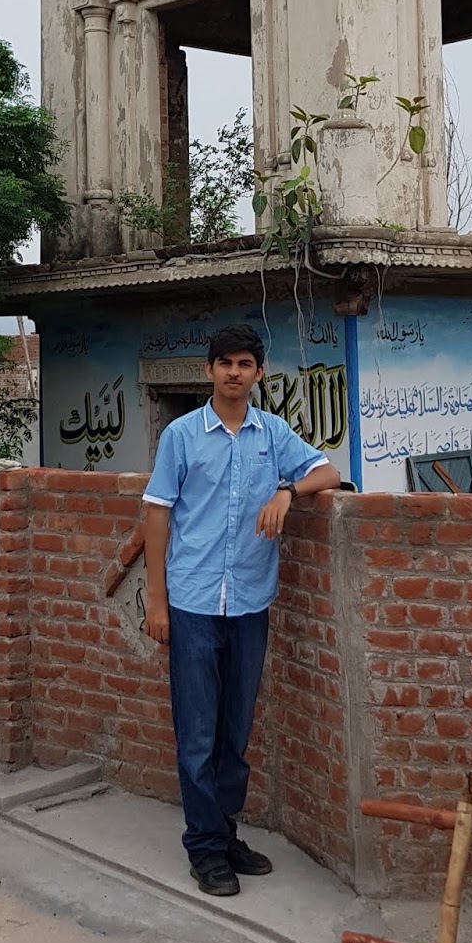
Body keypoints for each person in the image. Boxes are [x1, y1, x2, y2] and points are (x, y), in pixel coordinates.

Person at [142, 323, 341, 897]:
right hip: (194, 603)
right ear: (209, 371)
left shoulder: (271, 433)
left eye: (245, 363)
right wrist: (157, 600)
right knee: (198, 733)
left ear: (258, 373)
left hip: (251, 601)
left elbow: (325, 470)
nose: (234, 372)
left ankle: (225, 833)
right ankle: (204, 849)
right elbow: (157, 514)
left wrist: (287, 492)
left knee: (235, 731)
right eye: (224, 362)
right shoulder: (181, 436)